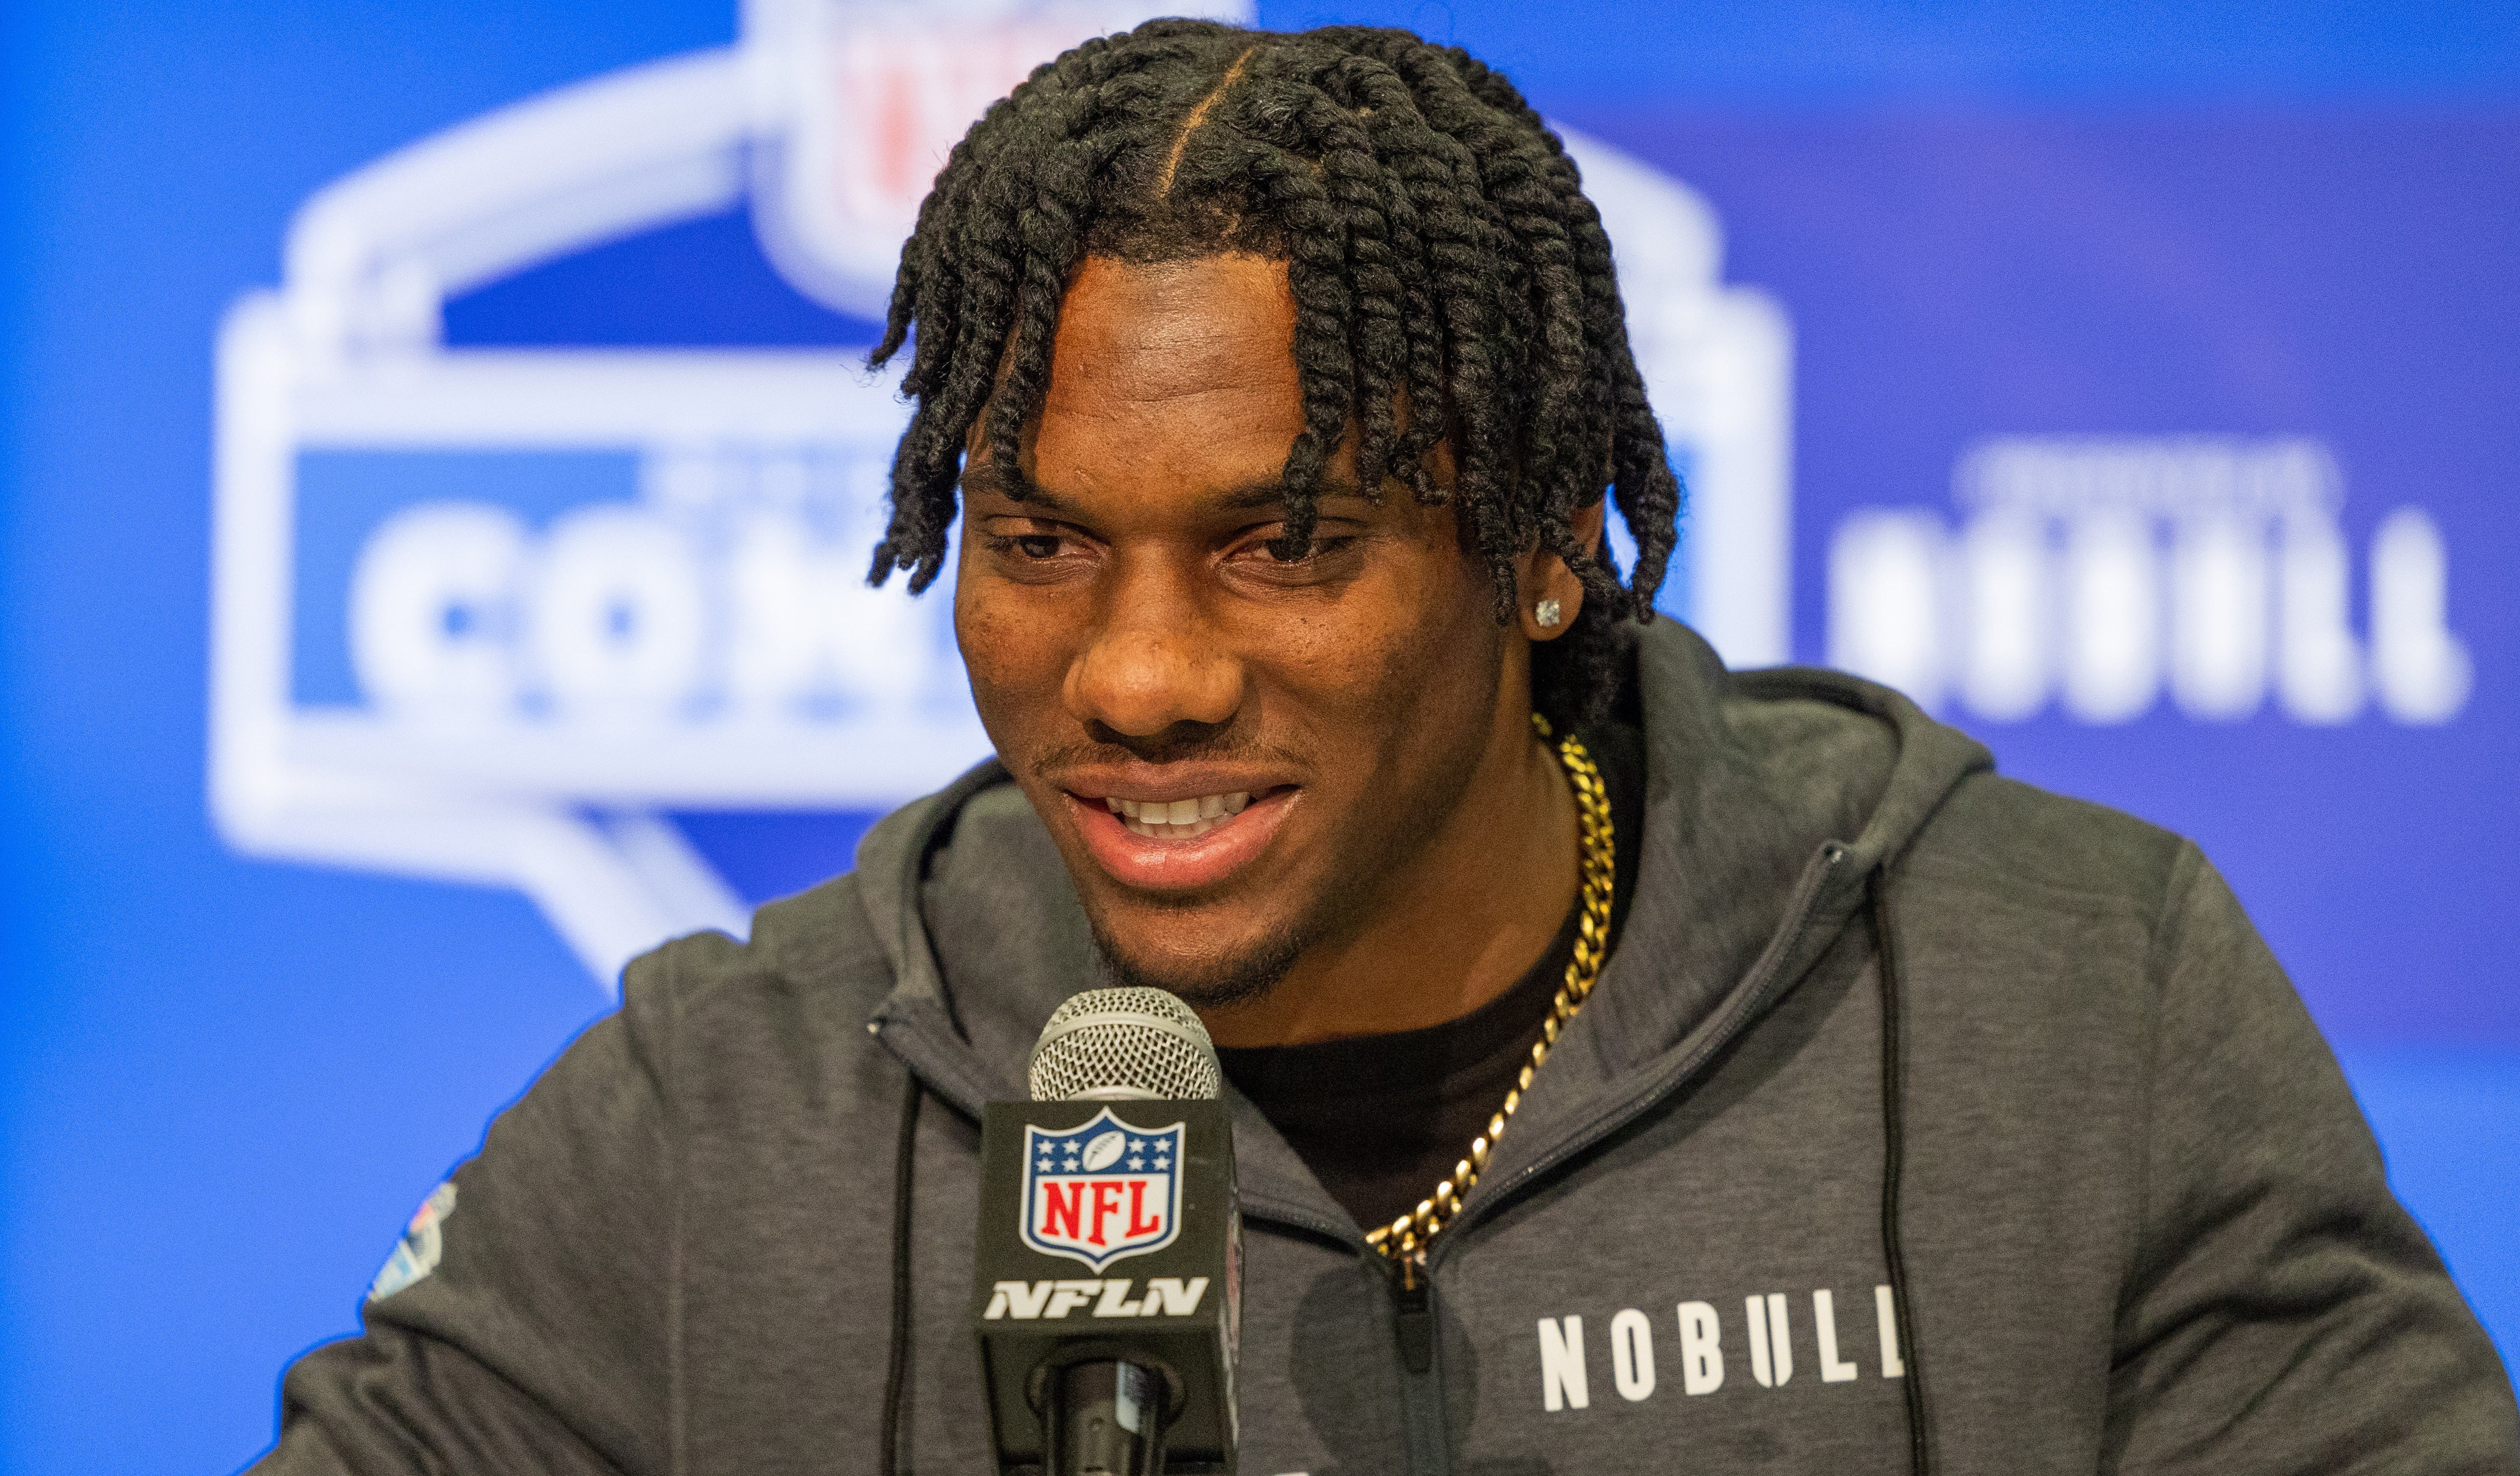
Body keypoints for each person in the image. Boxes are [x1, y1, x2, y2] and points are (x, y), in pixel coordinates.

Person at [254, 22, 2518, 1475]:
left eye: (1284, 540)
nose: (1132, 673)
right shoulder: (730, 1108)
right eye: (1040, 539)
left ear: (1538, 550)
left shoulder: (2065, 1002)